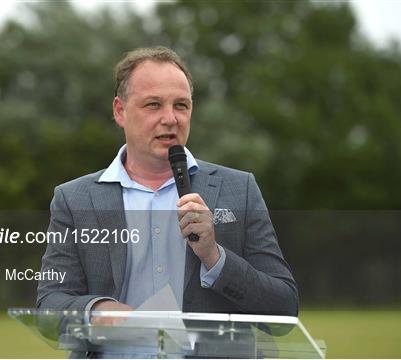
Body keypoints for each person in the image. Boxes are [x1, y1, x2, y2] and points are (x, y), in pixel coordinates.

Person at [36, 46, 297, 321]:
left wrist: (214, 257)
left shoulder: (240, 190)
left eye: (181, 105)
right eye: (153, 105)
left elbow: (284, 307)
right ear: (120, 111)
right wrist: (97, 311)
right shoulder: (74, 200)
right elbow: (50, 304)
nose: (170, 118)